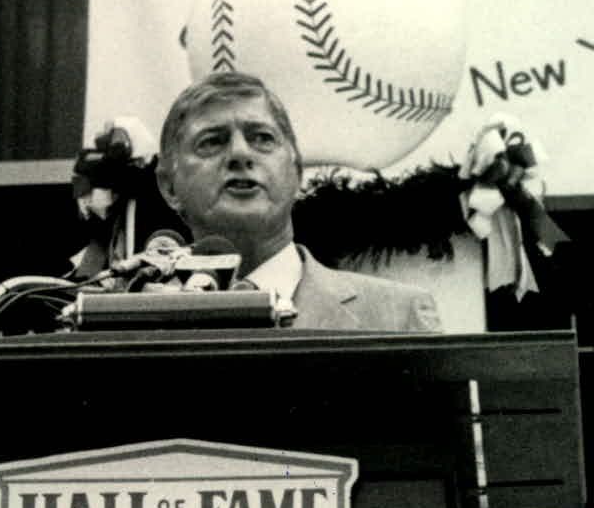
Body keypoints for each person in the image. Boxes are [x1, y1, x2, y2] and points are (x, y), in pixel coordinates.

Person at [155, 71, 441, 333]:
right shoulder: (128, 319)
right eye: (212, 141)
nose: (240, 153)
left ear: (297, 172)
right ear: (169, 186)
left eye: (263, 138)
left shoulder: (398, 317)